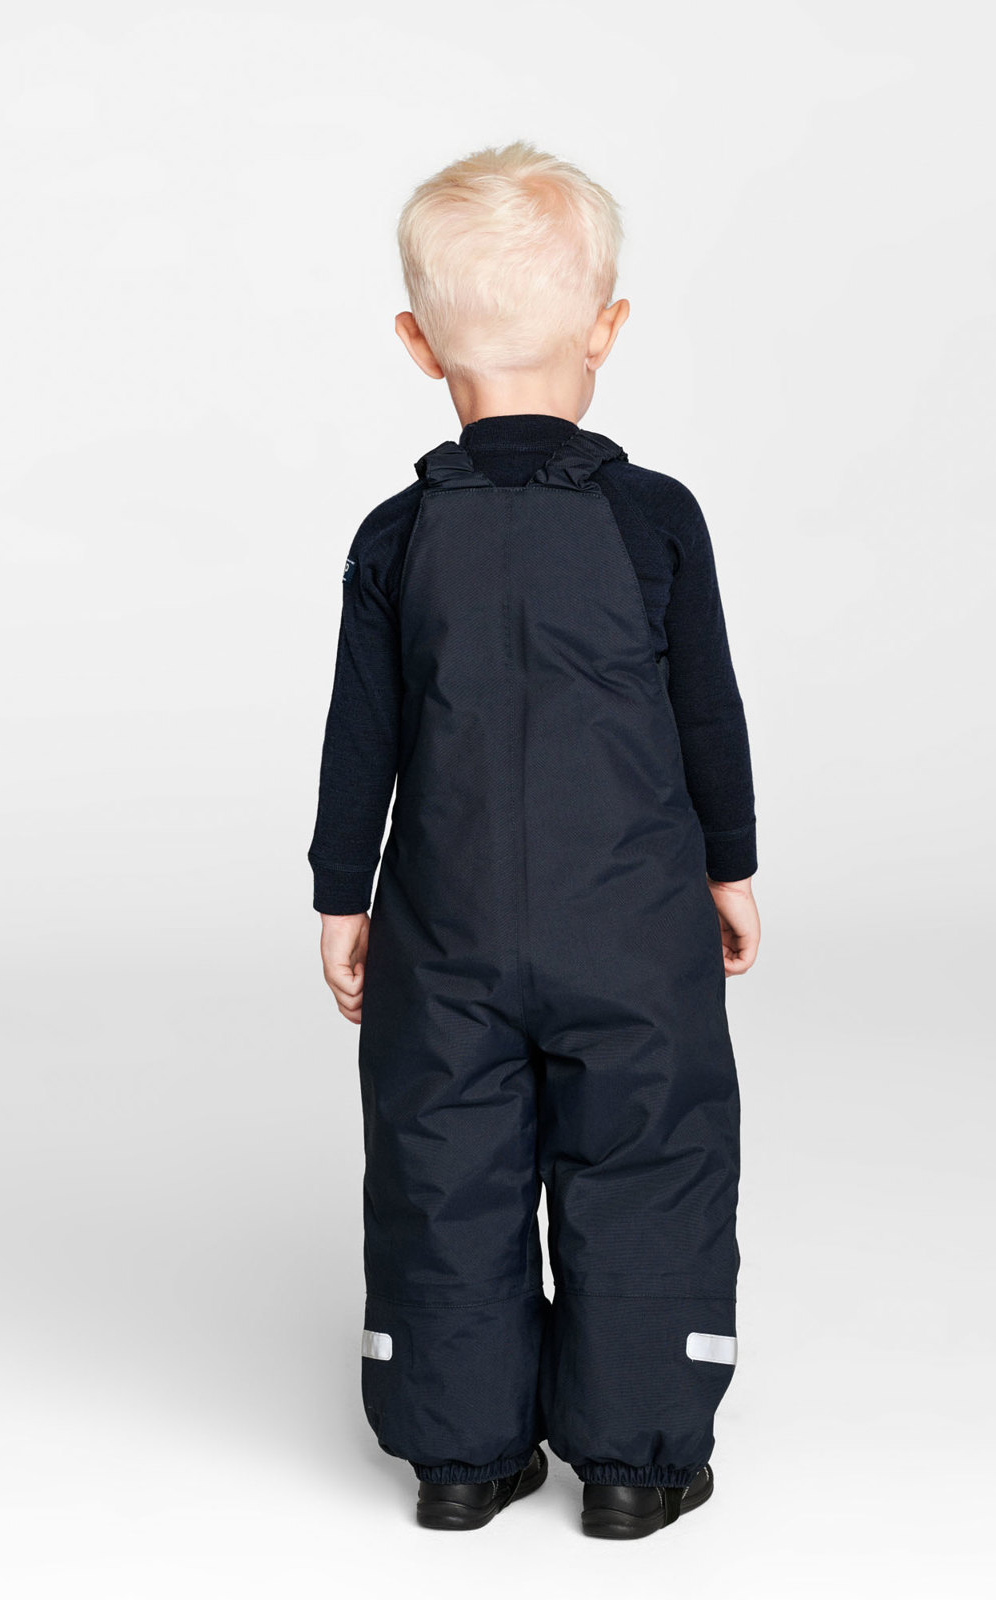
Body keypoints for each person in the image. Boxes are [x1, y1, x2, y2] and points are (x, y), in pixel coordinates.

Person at [308, 140, 760, 1539]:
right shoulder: (653, 520)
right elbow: (706, 709)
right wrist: (730, 868)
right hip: (632, 928)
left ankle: (460, 1458)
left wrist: (341, 896)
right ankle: (633, 1465)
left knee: (445, 1166)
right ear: (606, 329)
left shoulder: (396, 536)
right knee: (648, 1158)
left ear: (417, 343)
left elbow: (360, 736)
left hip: (443, 932)